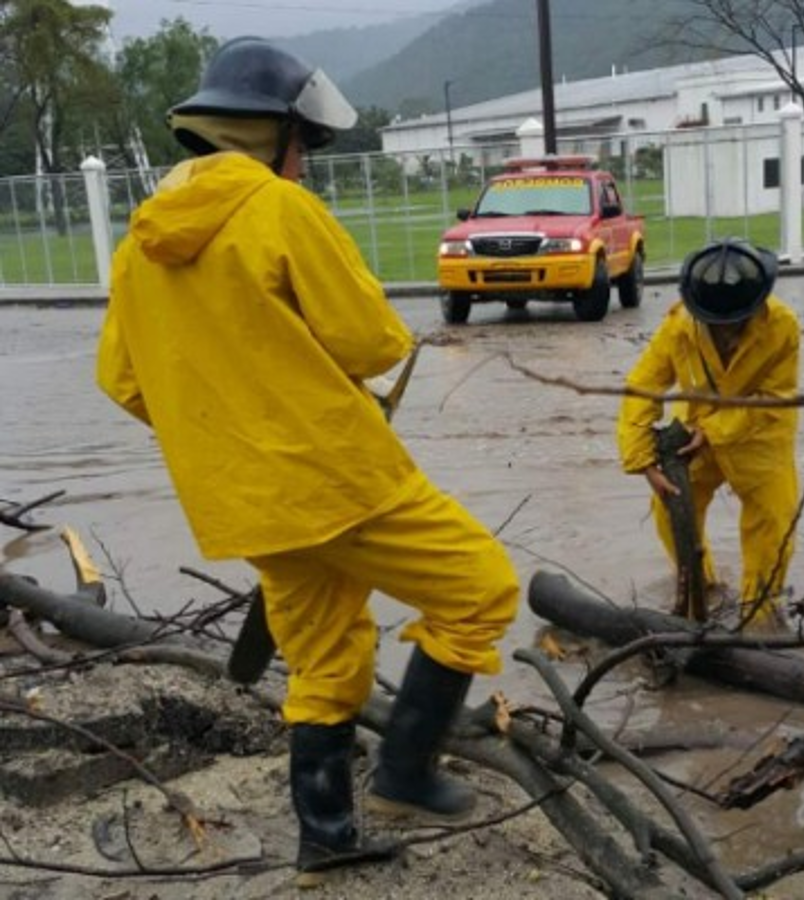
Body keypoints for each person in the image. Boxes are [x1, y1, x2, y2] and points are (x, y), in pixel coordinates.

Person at [95, 37, 519, 888]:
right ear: (275, 134)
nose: (308, 163)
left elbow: (123, 381)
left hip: (244, 503)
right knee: (480, 592)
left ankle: (325, 836)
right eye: (305, 146)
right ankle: (403, 775)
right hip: (338, 478)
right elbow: (371, 341)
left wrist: (226, 427)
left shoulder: (141, 243)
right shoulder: (279, 210)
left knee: (325, 654)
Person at [616, 238, 800, 629]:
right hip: (694, 430)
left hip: (759, 434)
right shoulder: (679, 327)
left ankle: (758, 617)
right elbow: (643, 386)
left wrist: (714, 430)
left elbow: (775, 398)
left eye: (736, 322)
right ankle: (703, 589)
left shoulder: (783, 328)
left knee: (773, 525)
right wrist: (643, 460)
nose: (727, 331)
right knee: (670, 510)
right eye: (717, 323)